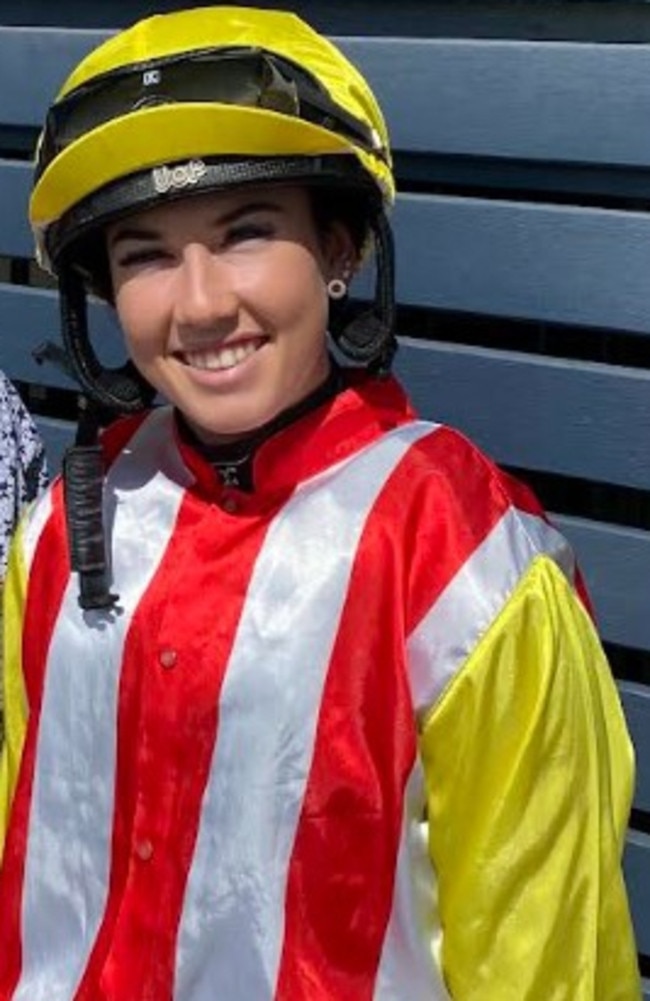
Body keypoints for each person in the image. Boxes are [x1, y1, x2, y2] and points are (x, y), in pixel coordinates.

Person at [0, 7, 640, 999]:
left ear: (336, 251)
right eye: (145, 255)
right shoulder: (58, 531)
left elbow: (548, 954)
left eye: (245, 232)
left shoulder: (463, 557)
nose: (201, 301)